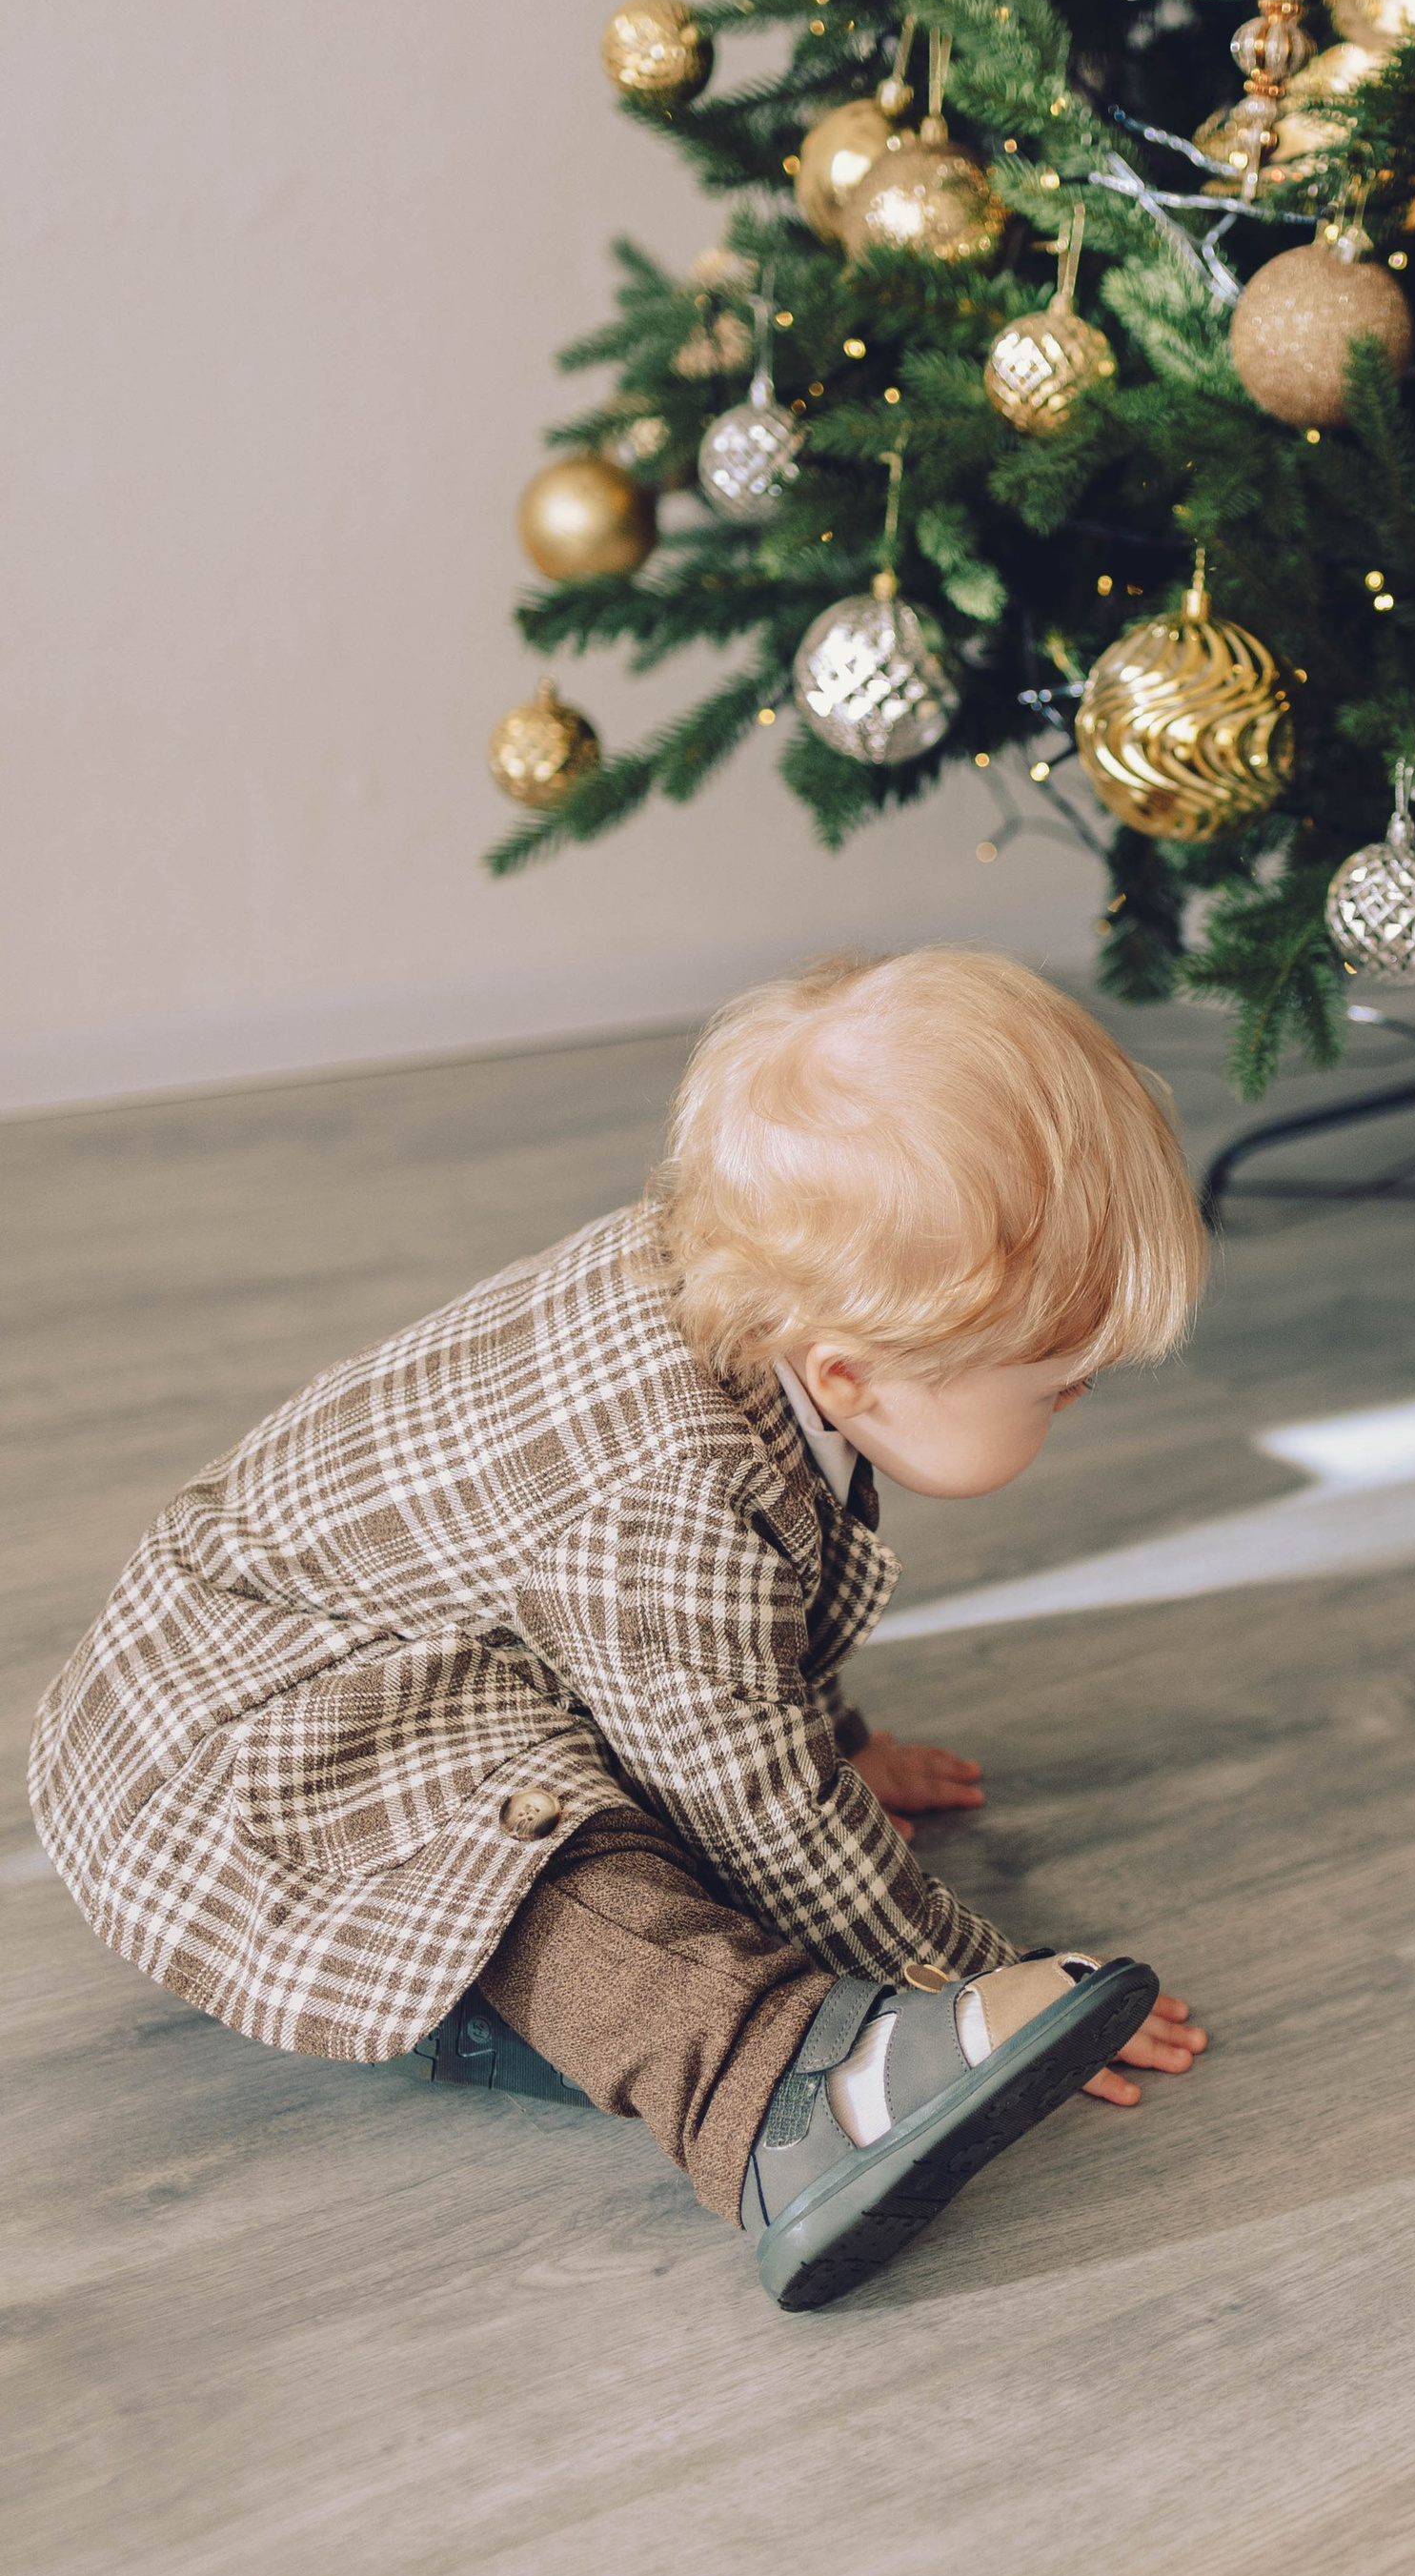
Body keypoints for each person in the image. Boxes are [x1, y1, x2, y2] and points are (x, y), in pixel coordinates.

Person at [29, 950, 1208, 2310]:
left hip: (309, 1670)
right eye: (1057, 1387)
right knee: (567, 1879)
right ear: (850, 1372)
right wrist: (959, 1974)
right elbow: (746, 1793)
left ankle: (486, 2019)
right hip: (241, 1765)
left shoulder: (748, 1285)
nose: (1079, 1403)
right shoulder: (671, 1490)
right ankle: (795, 2100)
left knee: (631, 1785)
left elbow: (707, 1649)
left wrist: (837, 1743)